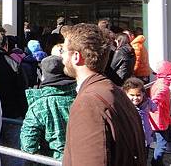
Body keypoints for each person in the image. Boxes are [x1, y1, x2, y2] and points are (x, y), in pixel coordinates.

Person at [61, 23, 146, 166]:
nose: (61, 55)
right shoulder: (116, 91)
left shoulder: (88, 103)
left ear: (76, 56)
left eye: (63, 50)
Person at [20, 55, 76, 160]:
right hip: (82, 159)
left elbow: (28, 144)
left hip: (52, 160)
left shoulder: (39, 105)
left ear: (44, 76)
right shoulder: (81, 95)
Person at [0, 32, 27, 166]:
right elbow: (22, 87)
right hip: (12, 113)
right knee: (14, 152)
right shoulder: (13, 63)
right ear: (6, 45)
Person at [149, 61, 171, 166]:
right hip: (159, 120)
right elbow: (158, 95)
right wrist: (154, 103)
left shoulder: (159, 83)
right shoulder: (163, 87)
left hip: (160, 118)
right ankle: (156, 162)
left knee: (157, 141)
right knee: (162, 143)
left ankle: (156, 161)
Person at [123, 78, 156, 152]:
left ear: (143, 94)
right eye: (132, 95)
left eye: (138, 95)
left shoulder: (147, 102)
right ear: (125, 93)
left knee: (145, 156)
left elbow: (154, 108)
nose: (135, 98)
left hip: (146, 137)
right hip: (132, 139)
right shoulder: (125, 106)